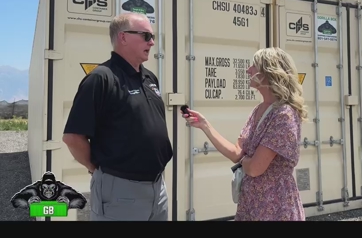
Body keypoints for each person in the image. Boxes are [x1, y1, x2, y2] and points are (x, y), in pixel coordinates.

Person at [63, 13, 173, 221]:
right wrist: (96, 168)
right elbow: (73, 137)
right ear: (123, 37)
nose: (152, 42)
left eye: (152, 36)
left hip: (157, 189)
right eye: (146, 36)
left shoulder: (149, 78)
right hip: (120, 192)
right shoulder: (101, 78)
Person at [182, 47, 307, 221]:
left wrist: (244, 160)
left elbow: (255, 168)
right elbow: (236, 153)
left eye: (254, 66)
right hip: (251, 204)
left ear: (267, 73)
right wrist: (204, 125)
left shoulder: (284, 115)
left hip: (275, 208)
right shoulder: (258, 110)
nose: (248, 70)